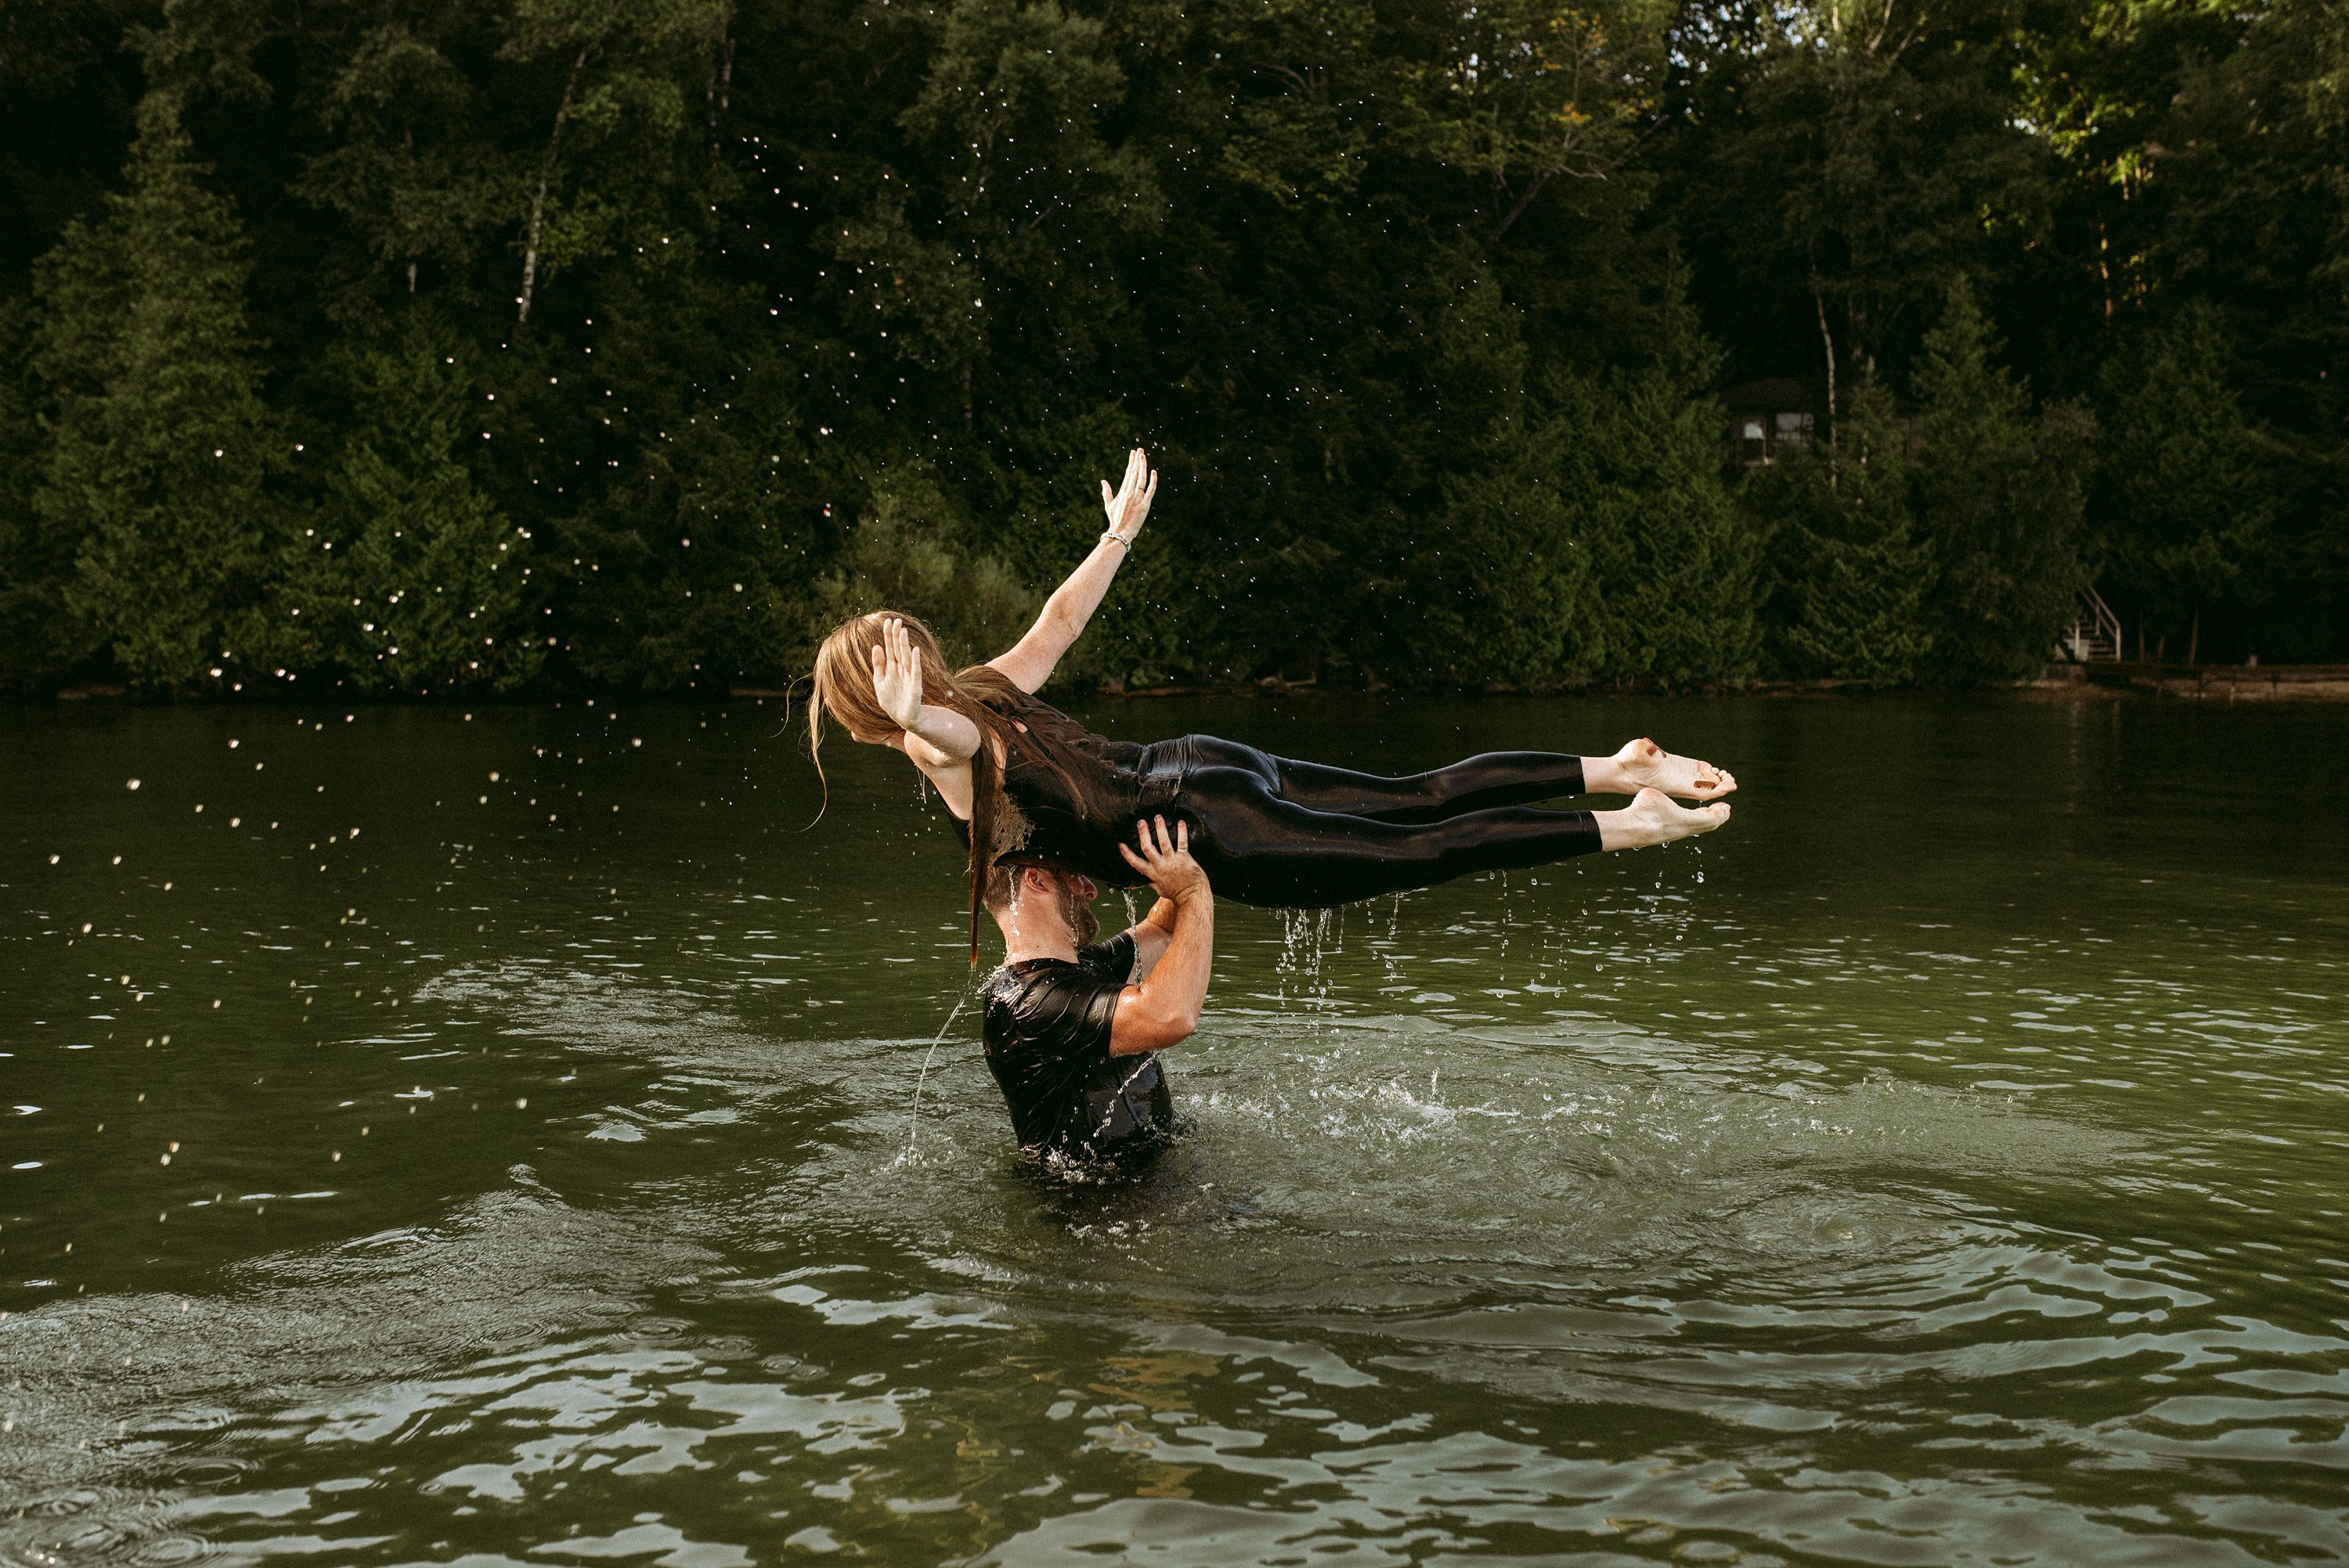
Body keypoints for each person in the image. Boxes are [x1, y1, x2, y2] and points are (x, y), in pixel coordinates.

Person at [809, 449, 1736, 957]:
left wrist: (911, 719)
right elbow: (1057, 621)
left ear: (865, 717)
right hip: (1208, 759)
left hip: (1211, 825)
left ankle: (1636, 823)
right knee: (1417, 795)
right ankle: (1613, 767)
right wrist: (1117, 539)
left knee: (1431, 850)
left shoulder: (950, 739)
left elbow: (946, 737)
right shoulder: (990, 682)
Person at [980, 814, 1211, 1168]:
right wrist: (1193, 890)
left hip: (1157, 1188)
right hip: (1106, 1212)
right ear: (1036, 879)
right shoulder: (1027, 1002)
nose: (1090, 889)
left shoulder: (1082, 968)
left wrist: (1182, 856)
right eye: (1075, 874)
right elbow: (1171, 1016)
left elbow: (1164, 930)